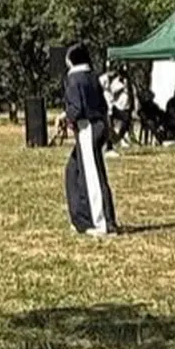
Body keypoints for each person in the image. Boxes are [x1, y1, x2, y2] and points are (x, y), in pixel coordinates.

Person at [62, 43, 118, 237]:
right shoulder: (93, 76)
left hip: (87, 128)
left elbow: (76, 108)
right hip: (99, 125)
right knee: (73, 170)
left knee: (92, 176)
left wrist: (68, 118)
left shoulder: (73, 78)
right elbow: (102, 105)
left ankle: (102, 223)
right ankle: (81, 218)